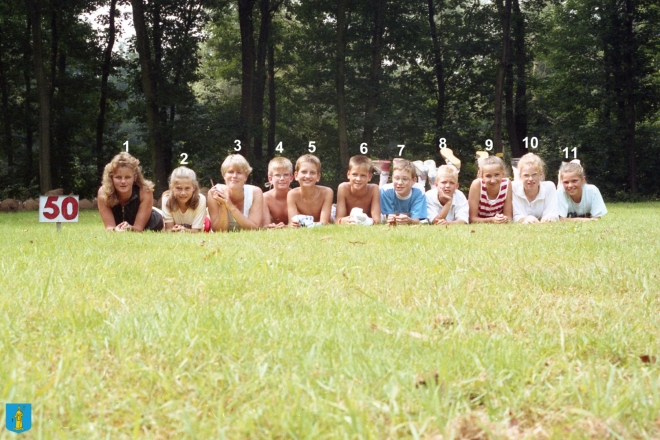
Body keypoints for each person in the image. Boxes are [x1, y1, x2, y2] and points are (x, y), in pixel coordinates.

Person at [97, 152, 163, 232]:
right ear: (111, 178)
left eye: (127, 177)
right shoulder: (103, 193)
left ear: (134, 177)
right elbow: (109, 227)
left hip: (155, 223)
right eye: (118, 177)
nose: (123, 181)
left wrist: (130, 228)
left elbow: (138, 229)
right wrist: (115, 230)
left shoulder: (145, 191)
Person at [208, 154, 263, 231]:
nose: (234, 176)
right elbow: (219, 231)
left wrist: (230, 206)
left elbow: (253, 228)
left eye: (239, 172)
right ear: (224, 175)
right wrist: (223, 204)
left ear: (246, 176)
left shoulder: (255, 192)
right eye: (230, 172)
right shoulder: (214, 192)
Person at [287, 154, 334, 227]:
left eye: (312, 173)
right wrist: (294, 225)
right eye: (304, 172)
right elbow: (293, 223)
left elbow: (324, 223)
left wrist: (303, 225)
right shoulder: (292, 194)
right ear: (296, 175)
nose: (308, 176)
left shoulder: (327, 192)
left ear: (318, 177)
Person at [511, 153, 558, 223]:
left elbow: (553, 214)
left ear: (541, 175)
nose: (530, 179)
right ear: (520, 176)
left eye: (534, 174)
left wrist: (549, 217)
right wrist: (524, 219)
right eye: (526, 175)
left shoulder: (549, 187)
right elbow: (516, 216)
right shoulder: (513, 188)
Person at [335, 155, 380, 225]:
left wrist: (366, 222)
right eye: (354, 174)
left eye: (363, 175)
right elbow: (338, 219)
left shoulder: (374, 189)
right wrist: (342, 221)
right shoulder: (343, 188)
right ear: (348, 174)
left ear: (370, 177)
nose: (358, 179)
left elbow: (377, 220)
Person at [380, 159, 427, 225]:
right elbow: (389, 218)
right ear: (392, 178)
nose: (399, 183)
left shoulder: (418, 191)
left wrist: (410, 221)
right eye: (396, 178)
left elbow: (416, 220)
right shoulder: (386, 191)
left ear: (414, 180)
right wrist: (392, 220)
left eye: (405, 179)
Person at [468, 155, 512, 223]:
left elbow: (509, 217)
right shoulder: (477, 185)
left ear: (503, 174)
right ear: (481, 176)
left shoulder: (506, 184)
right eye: (488, 176)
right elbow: (472, 219)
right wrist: (492, 220)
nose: (493, 180)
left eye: (497, 175)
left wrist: (504, 219)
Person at [161, 166, 207, 232]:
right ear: (172, 187)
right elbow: (169, 229)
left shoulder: (200, 199)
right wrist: (174, 230)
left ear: (194, 187)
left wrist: (183, 230)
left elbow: (197, 231)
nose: (183, 193)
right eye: (178, 188)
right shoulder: (166, 199)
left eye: (187, 188)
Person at [263, 157, 294, 229]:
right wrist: (270, 227)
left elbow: (296, 224)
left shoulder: (296, 196)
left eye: (286, 175)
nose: (282, 178)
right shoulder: (264, 198)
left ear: (291, 178)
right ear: (270, 179)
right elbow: (265, 226)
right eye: (277, 175)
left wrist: (286, 227)